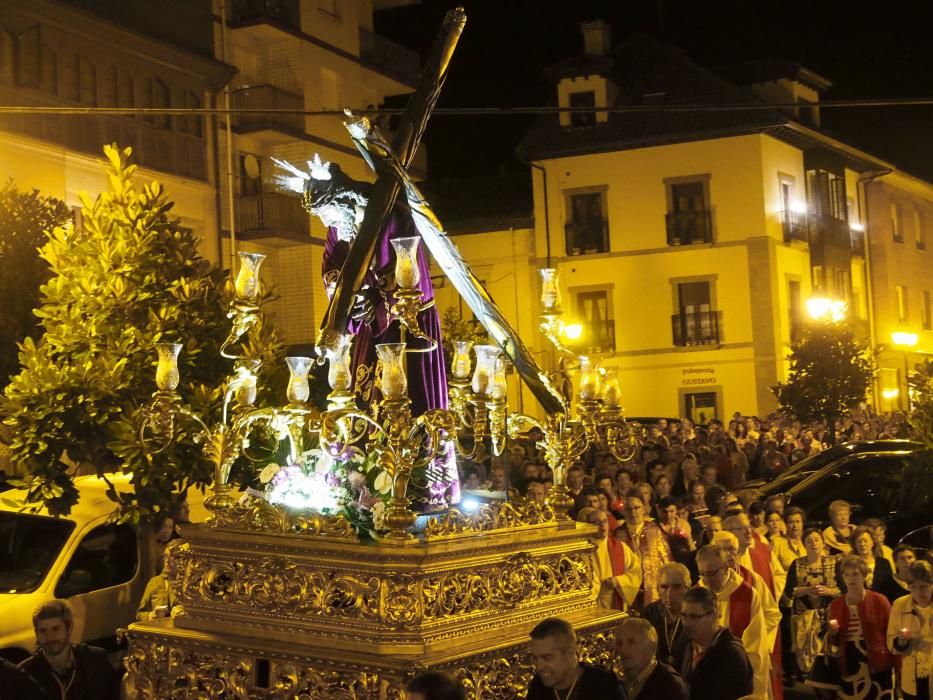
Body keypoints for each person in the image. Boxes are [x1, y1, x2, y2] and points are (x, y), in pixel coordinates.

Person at [293, 154, 459, 508]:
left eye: (328, 212)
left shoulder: (390, 216)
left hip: (408, 324)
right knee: (366, 404)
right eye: (322, 216)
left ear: (344, 199)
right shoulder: (339, 226)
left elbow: (408, 268)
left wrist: (380, 298)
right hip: (372, 328)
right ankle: (367, 482)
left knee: (413, 403)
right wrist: (350, 300)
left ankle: (420, 486)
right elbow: (334, 271)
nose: (327, 222)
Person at [695, 543, 771, 697]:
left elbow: (756, 648)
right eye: (702, 574)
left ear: (725, 567)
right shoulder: (696, 593)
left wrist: (754, 691)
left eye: (711, 573)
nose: (706, 580)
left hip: (735, 677)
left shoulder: (747, 596)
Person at [17, 600, 116, 700]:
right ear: (36, 633)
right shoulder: (25, 675)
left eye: (56, 629)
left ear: (69, 628)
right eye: (43, 631)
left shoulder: (96, 660)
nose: (49, 637)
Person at [827, 555, 895, 700]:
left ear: (864, 575)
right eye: (847, 574)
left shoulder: (879, 600)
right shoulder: (836, 604)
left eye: (856, 574)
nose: (851, 578)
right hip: (850, 659)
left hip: (876, 657)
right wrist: (833, 634)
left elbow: (891, 632)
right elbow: (834, 641)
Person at [783, 528, 841, 697]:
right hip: (804, 619)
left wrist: (827, 591)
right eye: (809, 541)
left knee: (826, 655)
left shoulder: (833, 562)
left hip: (827, 617)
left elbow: (841, 589)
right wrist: (808, 589)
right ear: (804, 544)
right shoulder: (797, 563)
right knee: (807, 658)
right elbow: (789, 590)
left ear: (822, 542)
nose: (814, 543)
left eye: (817, 540)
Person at [679, 586, 754, 700]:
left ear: (713, 615)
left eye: (694, 617)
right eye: (684, 616)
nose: (687, 623)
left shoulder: (731, 654)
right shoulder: (687, 644)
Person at [525, 617, 622, 699]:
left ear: (570, 654)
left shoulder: (603, 685)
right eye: (535, 658)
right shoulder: (538, 686)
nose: (539, 667)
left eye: (547, 657)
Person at [578, 507, 642, 611]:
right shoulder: (581, 550)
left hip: (615, 599)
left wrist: (617, 581)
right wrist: (596, 586)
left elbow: (636, 572)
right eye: (596, 522)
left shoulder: (621, 547)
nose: (602, 525)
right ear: (588, 525)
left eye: (604, 521)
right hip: (591, 602)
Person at [887, 560, 933, 700]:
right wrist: (900, 642)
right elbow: (890, 642)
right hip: (912, 677)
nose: (919, 592)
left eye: (924, 587)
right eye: (913, 587)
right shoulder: (900, 605)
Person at [617, 494, 672, 610]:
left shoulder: (655, 530)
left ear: (644, 509)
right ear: (623, 511)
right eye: (629, 509)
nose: (633, 512)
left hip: (652, 586)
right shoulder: (617, 534)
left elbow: (665, 558)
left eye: (636, 508)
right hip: (628, 588)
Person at [615, 617, 689, 700]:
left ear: (650, 647)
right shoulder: (616, 681)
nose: (623, 650)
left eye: (631, 642)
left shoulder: (671, 685)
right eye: (619, 643)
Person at [642, 562, 692, 669]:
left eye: (676, 587)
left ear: (687, 589)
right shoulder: (649, 613)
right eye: (664, 587)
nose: (669, 594)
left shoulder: (694, 615)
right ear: (657, 590)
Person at [136, 539, 180, 621]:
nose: (168, 561)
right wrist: (151, 615)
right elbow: (140, 614)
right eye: (166, 556)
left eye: (174, 557)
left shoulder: (191, 585)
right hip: (159, 630)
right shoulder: (155, 582)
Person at [850, 525, 895, 599]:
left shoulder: (884, 563)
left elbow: (890, 588)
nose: (862, 544)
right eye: (859, 541)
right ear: (855, 545)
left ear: (873, 542)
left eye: (865, 540)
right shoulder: (851, 565)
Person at [771, 506, 807, 573]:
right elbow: (772, 568)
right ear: (785, 524)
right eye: (791, 522)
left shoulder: (807, 542)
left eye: (798, 522)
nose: (795, 526)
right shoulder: (777, 542)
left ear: (802, 523)